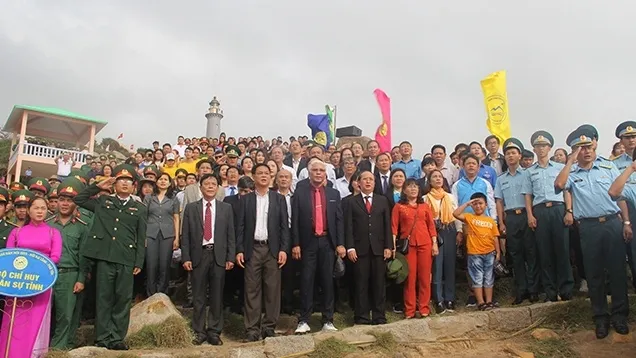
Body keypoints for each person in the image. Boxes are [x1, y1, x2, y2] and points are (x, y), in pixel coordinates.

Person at [556, 127, 630, 339]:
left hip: (612, 224)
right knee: (594, 274)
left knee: (617, 271)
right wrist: (570, 161)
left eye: (588, 146)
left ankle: (620, 316)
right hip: (588, 227)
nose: (586, 151)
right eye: (580, 149)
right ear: (575, 151)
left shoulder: (608, 167)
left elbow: (621, 196)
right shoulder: (572, 173)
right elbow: (560, 184)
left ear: (595, 145)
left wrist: (626, 222)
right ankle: (600, 318)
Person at [74, 164, 147, 351]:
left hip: (126, 258)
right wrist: (99, 185)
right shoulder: (103, 202)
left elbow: (141, 237)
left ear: (133, 186)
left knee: (122, 300)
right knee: (104, 298)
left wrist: (138, 261)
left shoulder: (138, 208)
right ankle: (102, 337)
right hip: (105, 257)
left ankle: (117, 338)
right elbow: (80, 199)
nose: (124, 183)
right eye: (120, 180)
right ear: (114, 183)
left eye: (128, 181)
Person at [0, 197, 62, 357]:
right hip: (17, 284)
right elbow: (8, 257)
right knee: (14, 321)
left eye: (43, 208)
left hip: (40, 284)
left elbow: (55, 257)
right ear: (28, 210)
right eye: (36, 208)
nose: (40, 211)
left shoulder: (53, 232)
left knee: (34, 321)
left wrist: (36, 270)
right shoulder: (17, 231)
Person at [236, 163, 290, 341]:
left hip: (272, 249)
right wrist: (240, 250)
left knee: (273, 290)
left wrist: (283, 249)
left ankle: (269, 327)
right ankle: (252, 329)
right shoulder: (246, 200)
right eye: (260, 173)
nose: (264, 176)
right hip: (252, 249)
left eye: (267, 173)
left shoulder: (279, 199)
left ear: (271, 177)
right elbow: (240, 227)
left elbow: (284, 227)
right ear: (254, 177)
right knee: (251, 290)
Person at [181, 173, 235, 346]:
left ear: (218, 188)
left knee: (217, 295)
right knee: (198, 296)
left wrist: (230, 257)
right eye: (207, 184)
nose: (210, 186)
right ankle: (198, 331)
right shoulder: (191, 208)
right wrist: (186, 257)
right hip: (198, 255)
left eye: (214, 184)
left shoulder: (225, 208)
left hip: (218, 255)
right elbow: (186, 235)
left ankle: (214, 331)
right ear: (201, 187)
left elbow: (230, 235)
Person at [292, 159, 345, 334]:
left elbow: (339, 221)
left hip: (327, 242)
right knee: (306, 280)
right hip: (308, 243)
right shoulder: (300, 193)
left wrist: (340, 244)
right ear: (309, 172)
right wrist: (296, 244)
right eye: (315, 170)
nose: (318, 173)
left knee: (327, 281)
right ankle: (304, 320)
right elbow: (296, 221)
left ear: (325, 173)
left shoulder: (333, 194)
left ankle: (328, 319)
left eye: (321, 170)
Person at [522, 131, 574, 302]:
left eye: (544, 146)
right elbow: (528, 195)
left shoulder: (560, 168)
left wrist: (569, 211)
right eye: (538, 146)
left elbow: (567, 191)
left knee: (563, 250)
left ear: (549, 148)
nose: (541, 149)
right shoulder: (529, 172)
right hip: (540, 211)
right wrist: (530, 215)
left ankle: (566, 289)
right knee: (544, 252)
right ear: (534, 149)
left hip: (558, 209)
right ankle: (550, 291)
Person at [494, 138, 539, 305]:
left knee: (531, 253)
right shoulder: (501, 179)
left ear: (520, 155)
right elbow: (499, 201)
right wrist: (501, 223)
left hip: (527, 216)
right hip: (511, 218)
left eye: (513, 153)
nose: (510, 156)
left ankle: (534, 290)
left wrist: (531, 216)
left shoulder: (528, 174)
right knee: (516, 255)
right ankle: (521, 291)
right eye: (507, 153)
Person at [345, 171, 392, 324]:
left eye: (371, 179)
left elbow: (387, 225)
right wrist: (350, 247)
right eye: (364, 179)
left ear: (375, 183)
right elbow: (348, 227)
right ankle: (361, 316)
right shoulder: (352, 202)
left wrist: (388, 246)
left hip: (379, 248)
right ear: (358, 183)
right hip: (359, 249)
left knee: (379, 284)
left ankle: (379, 316)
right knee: (361, 284)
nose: (368, 182)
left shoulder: (382, 200)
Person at [48, 178, 89, 350]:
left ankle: (59, 349)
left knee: (66, 315)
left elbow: (83, 256)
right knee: (46, 315)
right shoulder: (47, 223)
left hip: (70, 274)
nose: (65, 204)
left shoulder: (82, 227)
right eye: (62, 199)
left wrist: (81, 279)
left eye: (70, 200)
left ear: (76, 203)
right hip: (48, 275)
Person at [391, 179, 438, 318]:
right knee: (409, 278)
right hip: (408, 246)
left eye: (416, 187)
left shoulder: (424, 206)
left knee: (424, 277)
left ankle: (424, 308)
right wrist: (393, 246)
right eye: (410, 186)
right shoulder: (399, 206)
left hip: (425, 244)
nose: (413, 189)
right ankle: (410, 310)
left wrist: (434, 243)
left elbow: (431, 226)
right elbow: (394, 227)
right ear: (404, 190)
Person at [453, 192, 501, 311]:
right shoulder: (470, 217)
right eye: (475, 204)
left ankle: (489, 301)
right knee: (477, 278)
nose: (478, 206)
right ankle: (480, 302)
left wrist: (498, 252)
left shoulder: (490, 221)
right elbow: (455, 213)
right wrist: (468, 203)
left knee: (489, 277)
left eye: (481, 203)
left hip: (489, 252)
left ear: (485, 205)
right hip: (475, 253)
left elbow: (495, 237)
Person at [423, 169, 458, 313]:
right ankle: (438, 299)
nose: (438, 179)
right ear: (429, 181)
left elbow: (456, 214)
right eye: (434, 177)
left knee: (450, 264)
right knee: (436, 266)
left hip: (449, 230)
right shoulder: (425, 198)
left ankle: (450, 297)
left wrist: (460, 231)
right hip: (433, 232)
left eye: (440, 177)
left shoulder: (450, 197)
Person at [144, 173, 180, 296]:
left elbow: (176, 218)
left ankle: (162, 294)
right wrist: (143, 235)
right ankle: (151, 294)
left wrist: (176, 238)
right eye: (161, 179)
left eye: (166, 179)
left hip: (167, 234)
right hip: (151, 234)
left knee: (164, 265)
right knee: (151, 265)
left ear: (170, 183)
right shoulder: (149, 198)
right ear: (156, 182)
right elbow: (143, 217)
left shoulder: (174, 199)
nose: (163, 181)